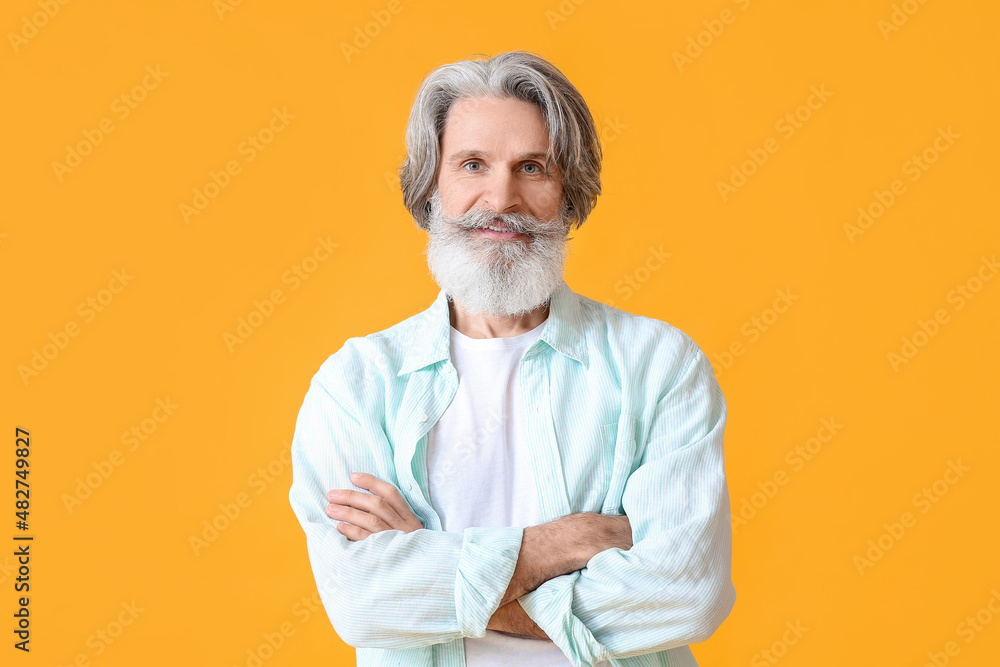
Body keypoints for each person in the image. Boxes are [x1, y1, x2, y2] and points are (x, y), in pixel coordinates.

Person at [288, 50, 735, 667]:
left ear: (567, 195)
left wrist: (431, 569)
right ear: (431, 185)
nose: (502, 197)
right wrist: (558, 545)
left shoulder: (659, 365)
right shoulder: (357, 385)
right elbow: (363, 602)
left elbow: (685, 594)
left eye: (533, 168)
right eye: (472, 164)